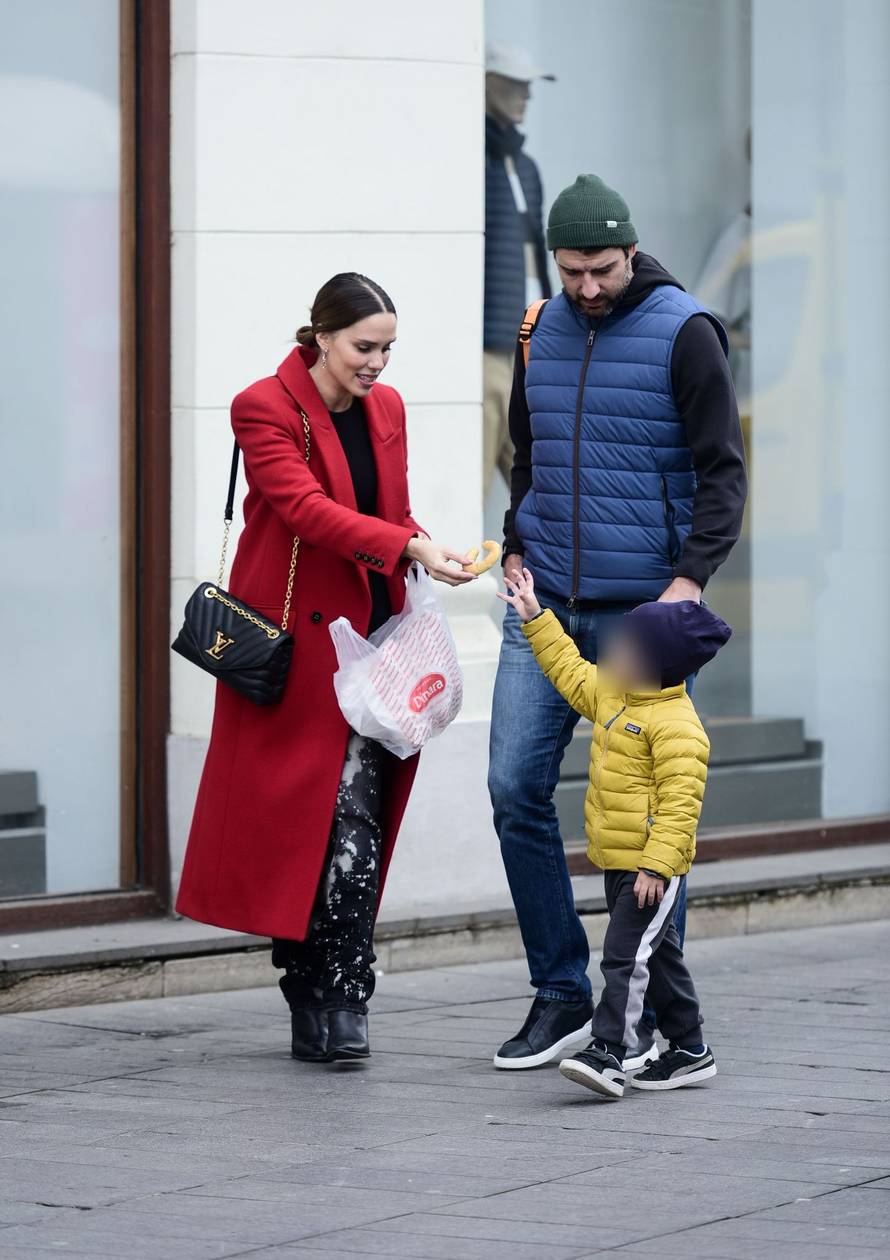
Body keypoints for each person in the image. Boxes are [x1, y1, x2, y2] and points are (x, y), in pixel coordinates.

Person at [176, 273, 475, 1064]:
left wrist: (426, 549)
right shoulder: (263, 405)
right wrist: (406, 544)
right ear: (321, 336)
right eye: (363, 347)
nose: (377, 363)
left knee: (354, 821)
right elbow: (304, 509)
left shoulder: (388, 408)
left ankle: (336, 992)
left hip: (371, 649)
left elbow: (388, 512)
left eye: (388, 349)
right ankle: (318, 990)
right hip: (296, 651)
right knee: (314, 829)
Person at [489, 174, 748, 1071]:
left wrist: (688, 580)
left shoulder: (686, 331)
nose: (588, 286)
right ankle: (563, 989)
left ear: (631, 252)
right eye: (572, 272)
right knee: (513, 789)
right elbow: (526, 454)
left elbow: (723, 472)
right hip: (544, 602)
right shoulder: (539, 328)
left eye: (601, 268)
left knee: (647, 822)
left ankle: (645, 1014)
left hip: (645, 614)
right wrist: (516, 542)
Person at [498, 566, 729, 1098]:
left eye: (627, 646)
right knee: (659, 957)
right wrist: (536, 617)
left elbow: (680, 808)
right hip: (619, 860)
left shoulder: (678, 727)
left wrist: (656, 867)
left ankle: (609, 1051)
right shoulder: (614, 694)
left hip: (650, 868)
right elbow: (567, 669)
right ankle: (691, 1050)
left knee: (624, 955)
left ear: (654, 663)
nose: (614, 649)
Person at [483, 42, 554, 492]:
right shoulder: (471, 161)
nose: (525, 94)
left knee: (540, 484)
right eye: (515, 83)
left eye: (529, 85)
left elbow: (537, 253)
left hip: (529, 348)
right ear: (487, 82)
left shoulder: (525, 167)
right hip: (487, 350)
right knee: (473, 479)